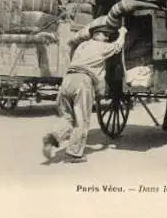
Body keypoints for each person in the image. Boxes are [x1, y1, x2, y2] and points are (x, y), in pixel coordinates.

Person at [42, 17, 128, 163]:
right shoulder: (101, 46)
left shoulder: (82, 46)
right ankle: (74, 154)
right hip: (83, 81)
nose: (106, 37)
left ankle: (53, 138)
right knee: (82, 119)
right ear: (97, 35)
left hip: (67, 80)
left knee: (68, 117)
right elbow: (118, 47)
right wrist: (123, 33)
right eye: (104, 35)